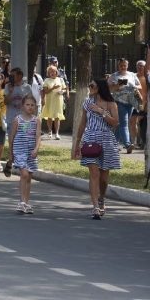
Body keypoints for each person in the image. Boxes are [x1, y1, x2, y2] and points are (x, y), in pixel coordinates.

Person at [73, 79, 120, 220]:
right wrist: (77, 143)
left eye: (92, 85)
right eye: (89, 85)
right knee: (94, 173)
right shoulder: (87, 102)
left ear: (100, 87)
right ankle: (95, 207)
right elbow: (82, 123)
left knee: (104, 177)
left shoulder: (111, 103)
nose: (90, 87)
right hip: (90, 139)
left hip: (107, 139)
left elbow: (115, 122)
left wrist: (101, 111)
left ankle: (101, 198)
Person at [9, 94, 41, 214]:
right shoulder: (17, 119)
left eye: (32, 105)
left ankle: (26, 203)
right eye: (27, 104)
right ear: (23, 106)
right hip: (19, 150)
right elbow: (11, 137)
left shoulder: (37, 120)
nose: (30, 107)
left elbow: (38, 136)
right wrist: (11, 153)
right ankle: (21, 202)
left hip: (31, 152)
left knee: (29, 177)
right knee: (24, 174)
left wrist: (36, 149)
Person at [107, 58, 140, 153]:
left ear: (127, 66)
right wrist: (117, 85)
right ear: (118, 66)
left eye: (124, 65)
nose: (123, 67)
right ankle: (127, 144)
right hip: (119, 102)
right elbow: (108, 88)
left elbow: (139, 86)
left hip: (131, 102)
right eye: (121, 65)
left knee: (121, 124)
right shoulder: (114, 76)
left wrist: (134, 86)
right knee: (124, 124)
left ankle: (113, 145)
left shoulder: (132, 75)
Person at [41, 65, 67, 140]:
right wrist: (53, 88)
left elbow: (65, 89)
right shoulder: (46, 80)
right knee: (49, 116)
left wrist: (62, 91)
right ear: (48, 73)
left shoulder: (60, 79)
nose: (52, 73)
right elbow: (45, 91)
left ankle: (57, 133)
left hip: (58, 100)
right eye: (50, 72)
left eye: (53, 71)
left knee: (57, 117)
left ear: (56, 72)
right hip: (49, 100)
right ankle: (50, 132)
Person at [4, 67, 32, 132]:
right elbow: (5, 102)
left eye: (13, 76)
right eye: (10, 76)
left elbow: (31, 104)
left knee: (23, 138)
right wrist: (10, 92)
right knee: (12, 138)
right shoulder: (7, 86)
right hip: (11, 119)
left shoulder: (27, 87)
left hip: (24, 120)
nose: (11, 77)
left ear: (20, 76)